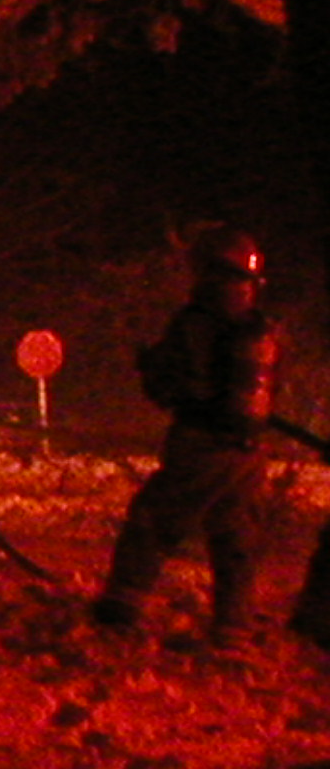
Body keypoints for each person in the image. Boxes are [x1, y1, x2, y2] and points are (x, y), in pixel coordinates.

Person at [91, 224, 280, 649]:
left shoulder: (198, 322)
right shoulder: (259, 328)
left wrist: (152, 366)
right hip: (249, 450)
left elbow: (179, 386)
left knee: (153, 520)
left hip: (202, 442)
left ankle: (121, 610)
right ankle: (233, 628)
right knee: (235, 538)